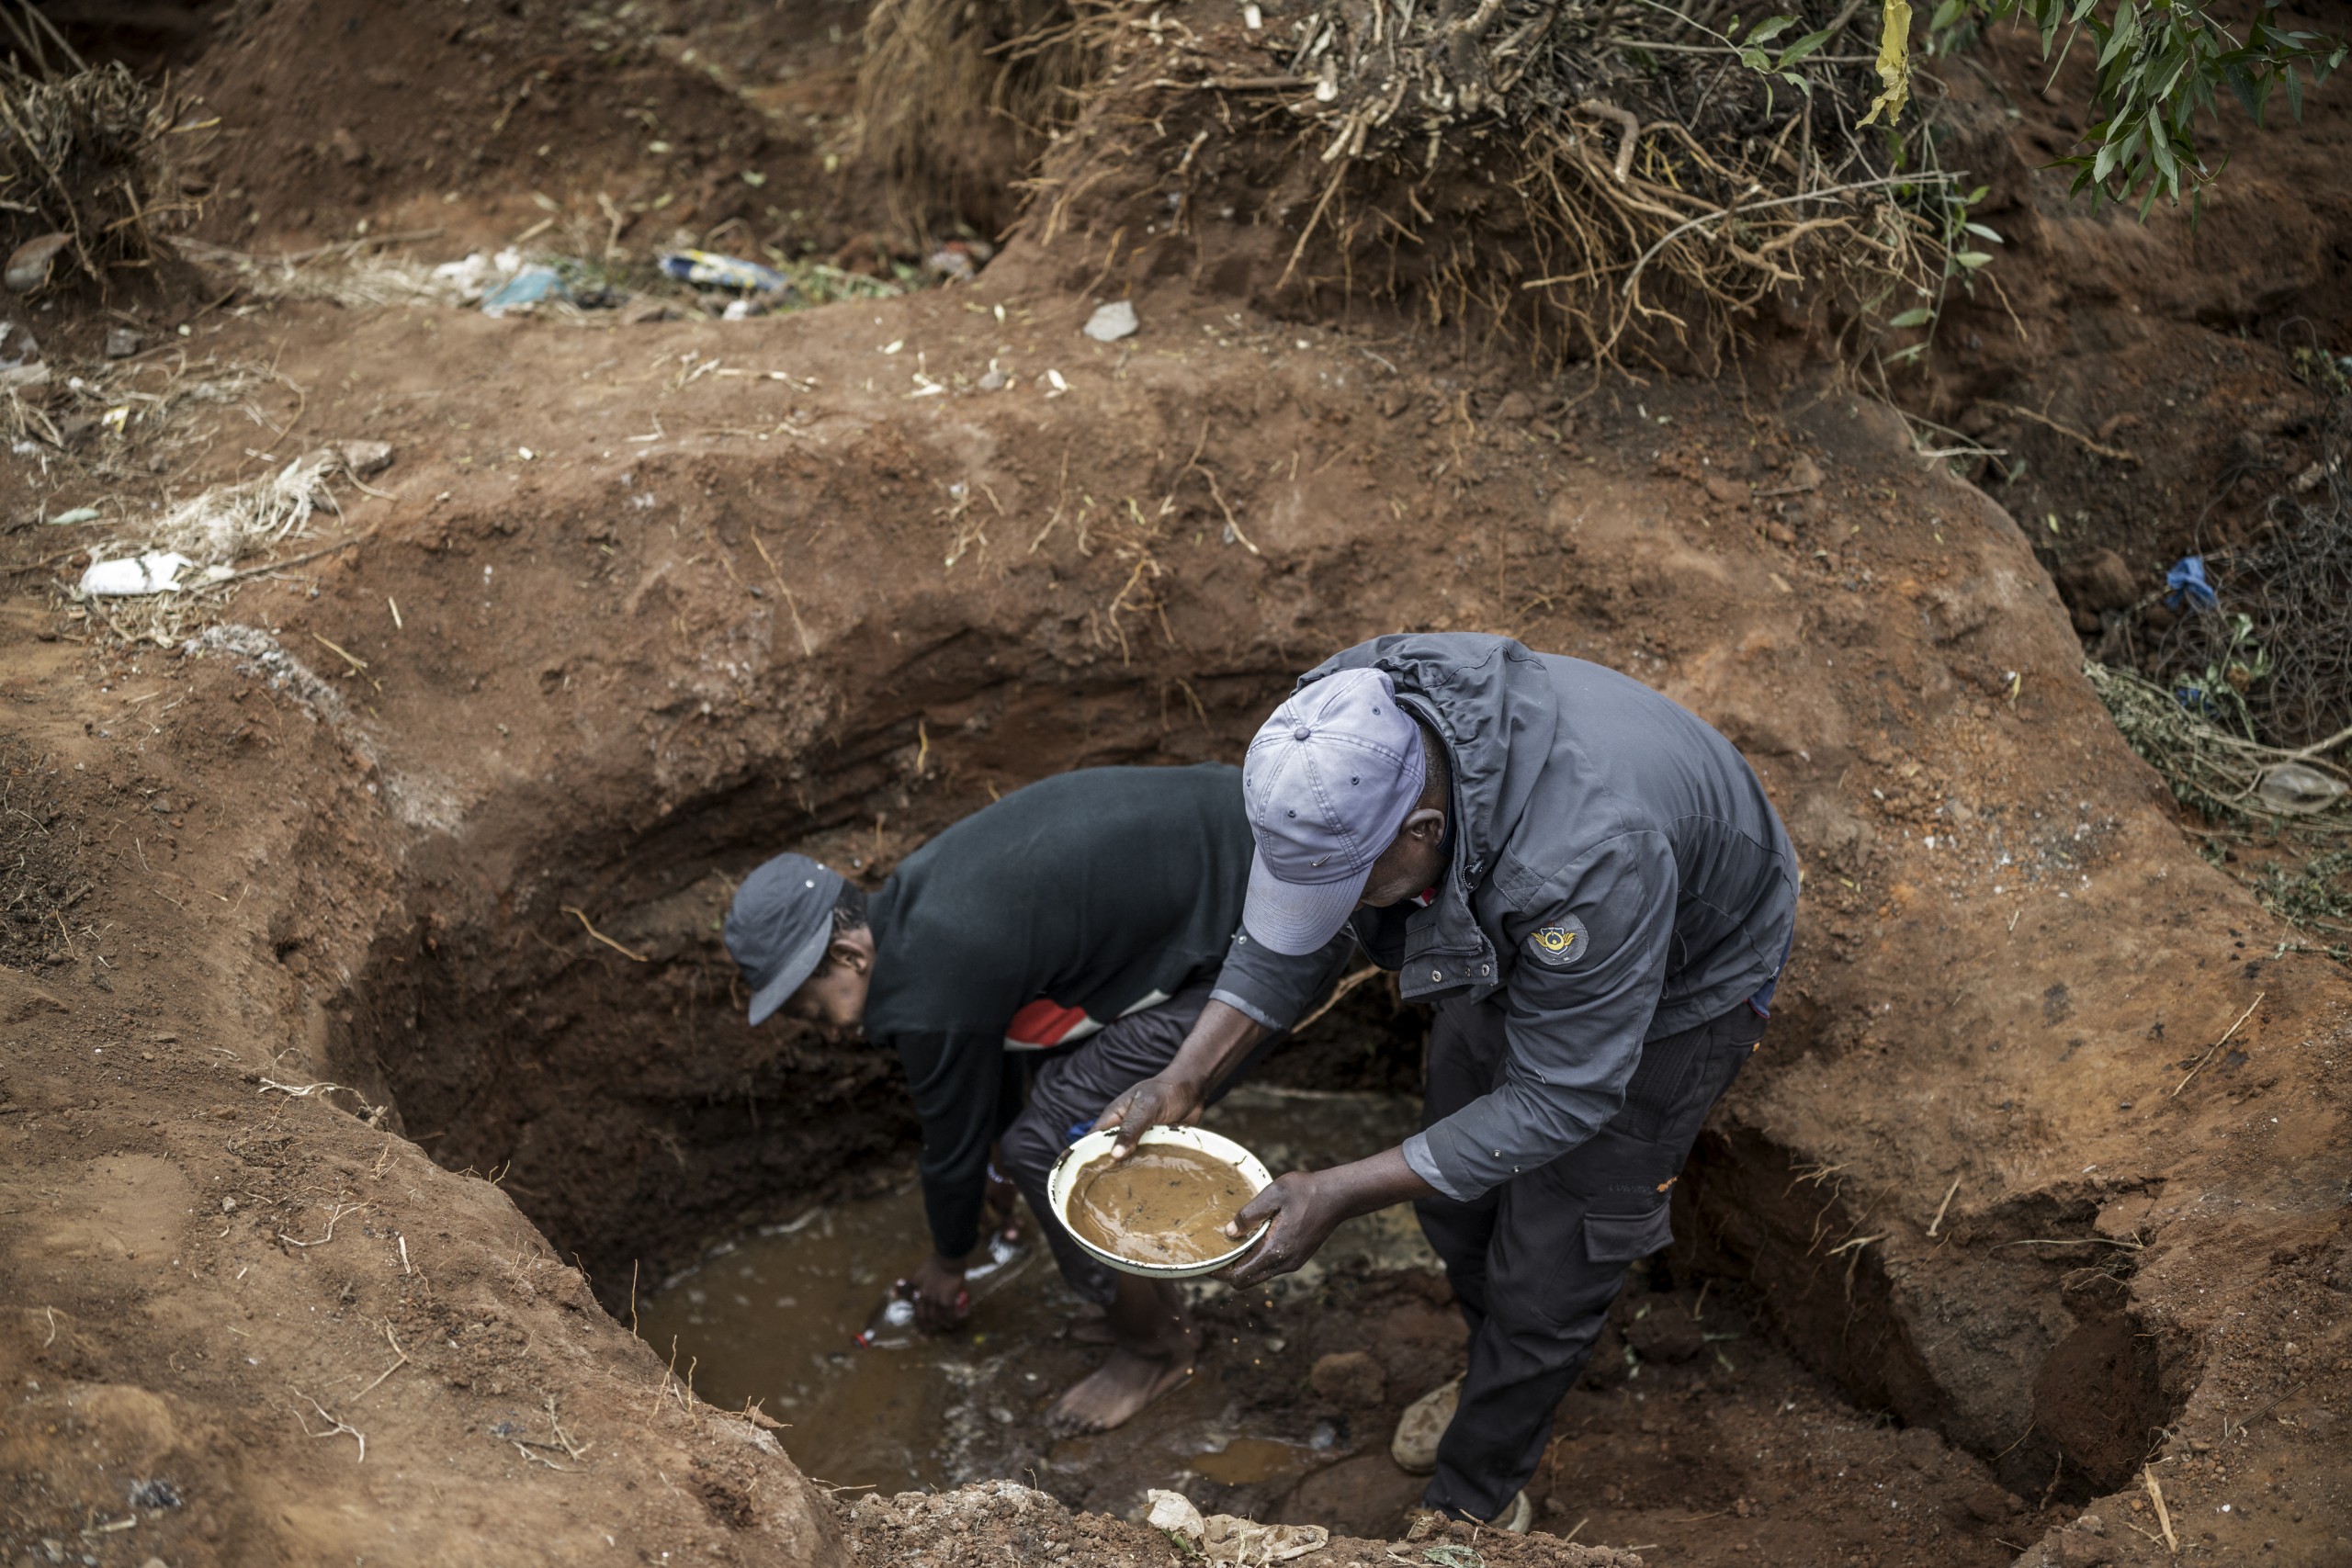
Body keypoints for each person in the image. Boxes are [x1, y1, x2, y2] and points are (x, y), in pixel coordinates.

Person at [1099, 633, 1798, 1529]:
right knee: (1453, 1206)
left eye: (1353, 884)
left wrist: (1341, 1190)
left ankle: (1474, 1501)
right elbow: (1296, 929)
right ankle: (1488, 1369)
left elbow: (1564, 1094)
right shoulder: (1338, 722)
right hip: (1493, 914)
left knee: (1549, 1271)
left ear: (1422, 832)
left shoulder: (1584, 859)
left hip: (1676, 980)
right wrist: (1183, 1076)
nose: (1342, 908)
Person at [721, 763, 1351, 1432]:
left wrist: (948, 1261)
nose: (820, 1027)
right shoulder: (922, 911)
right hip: (1272, 854)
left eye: (810, 1008)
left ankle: (1156, 1347)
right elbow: (982, 1063)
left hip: (1281, 925)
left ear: (848, 956)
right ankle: (1134, 1299)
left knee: (1047, 1143)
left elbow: (951, 1147)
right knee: (1046, 1114)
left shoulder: (929, 989)